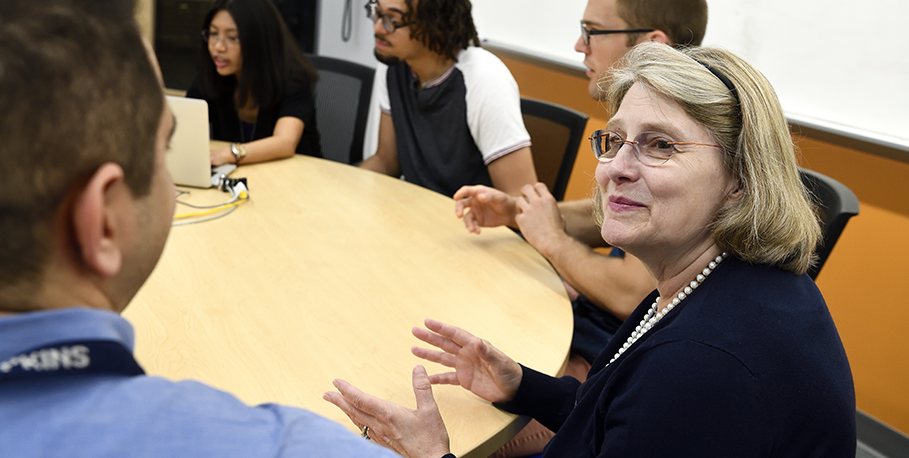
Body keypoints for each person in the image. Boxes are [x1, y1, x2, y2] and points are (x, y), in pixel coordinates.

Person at [0, 0, 395, 456]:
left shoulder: (289, 82)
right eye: (164, 148)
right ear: (101, 223)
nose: (217, 46)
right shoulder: (278, 445)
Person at [326, 43, 856, 457]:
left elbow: (657, 405)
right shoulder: (721, 282)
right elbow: (623, 416)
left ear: (740, 178)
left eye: (660, 145)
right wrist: (521, 386)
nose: (617, 168)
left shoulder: (701, 367)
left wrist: (433, 454)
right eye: (615, 139)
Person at [454, 0, 709, 370]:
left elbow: (633, 293)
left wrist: (552, 241)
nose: (579, 45)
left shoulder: (684, 139)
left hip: (617, 361)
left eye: (593, 31)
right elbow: (620, 216)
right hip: (594, 332)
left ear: (653, 45)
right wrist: (521, 214)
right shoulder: (652, 116)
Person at [358, 0, 538, 198]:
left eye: (393, 19)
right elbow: (387, 161)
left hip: (471, 226)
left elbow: (520, 199)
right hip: (414, 212)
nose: (378, 28)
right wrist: (343, 191)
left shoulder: (483, 79)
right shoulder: (394, 63)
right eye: (376, 12)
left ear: (435, 25)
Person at [187, 0, 323, 166]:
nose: (218, 47)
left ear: (258, 41)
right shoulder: (212, 77)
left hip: (298, 179)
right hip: (239, 178)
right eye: (213, 34)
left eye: (232, 38)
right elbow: (182, 133)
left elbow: (285, 143)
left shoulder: (293, 80)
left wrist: (230, 154)